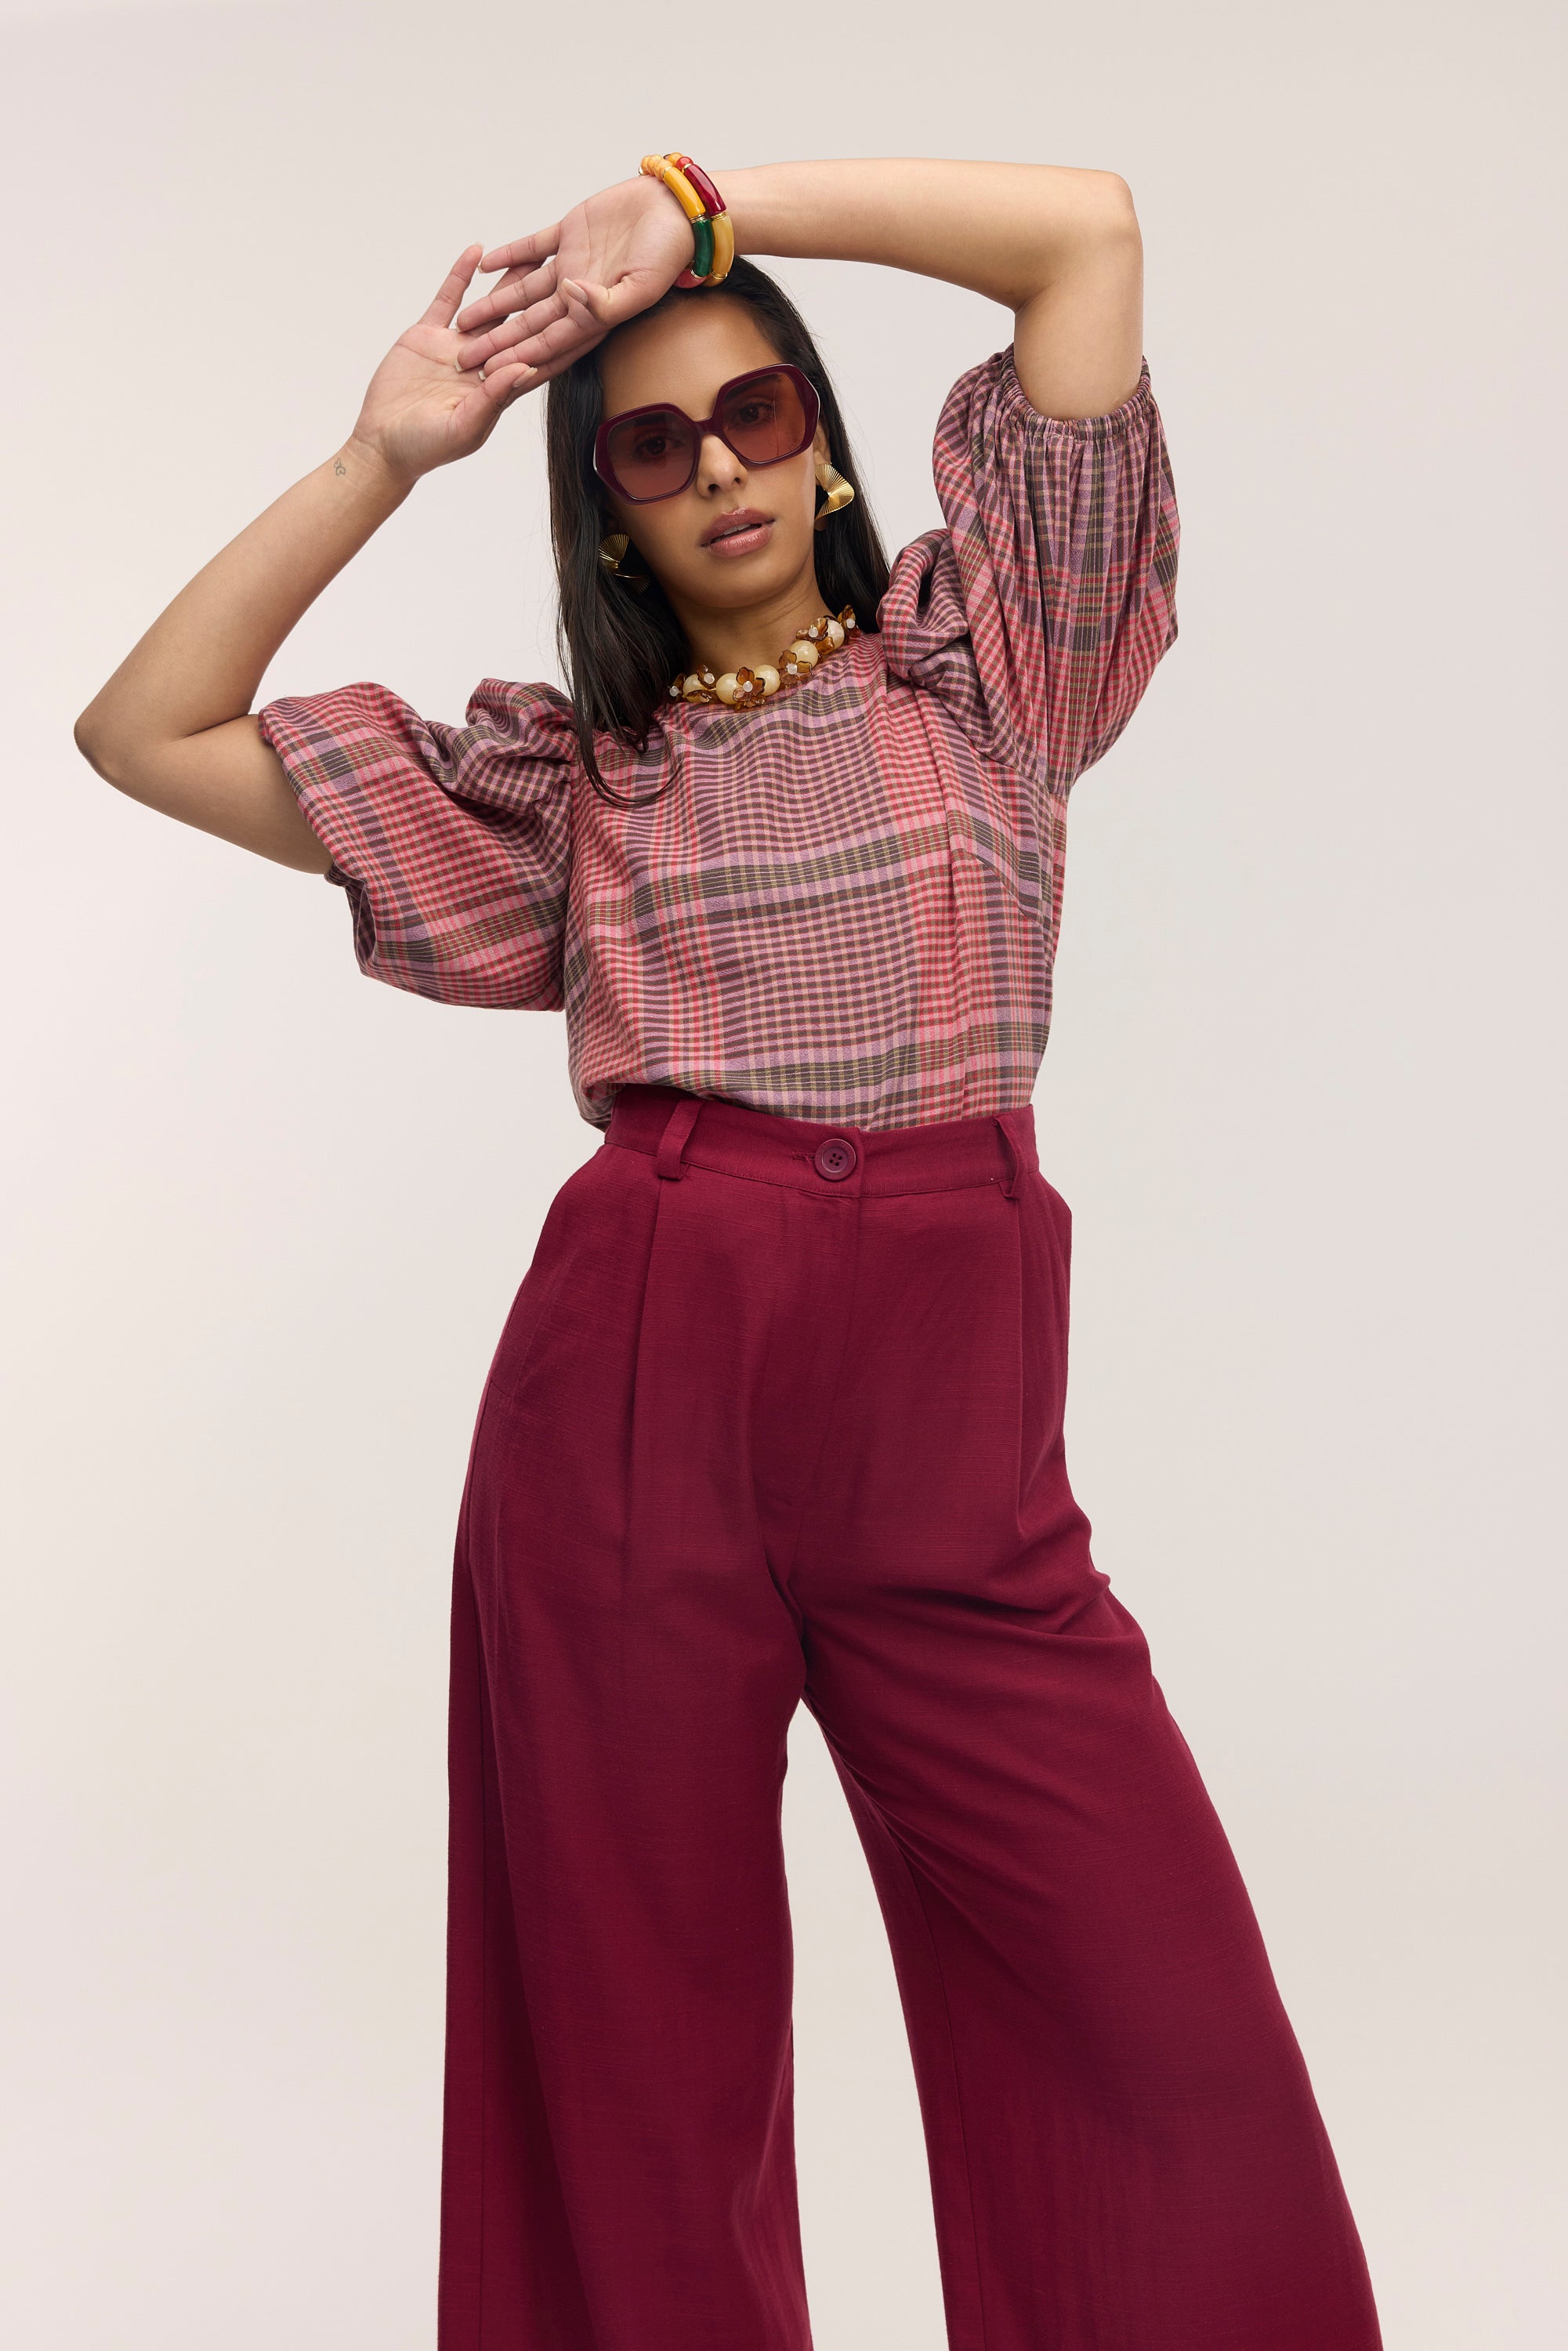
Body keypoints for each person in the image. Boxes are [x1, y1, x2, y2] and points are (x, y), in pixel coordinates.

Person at [74, 155, 1382, 2351]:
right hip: (635, 1393)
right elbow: (145, 728)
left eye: (756, 412)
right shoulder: (570, 792)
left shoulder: (992, 665)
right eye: (654, 447)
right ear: (608, 515)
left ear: (824, 438)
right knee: (635, 2055)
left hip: (951, 1441)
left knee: (1155, 2025)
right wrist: (384, 452)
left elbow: (1084, 236)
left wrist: (701, 208)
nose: (718, 469)